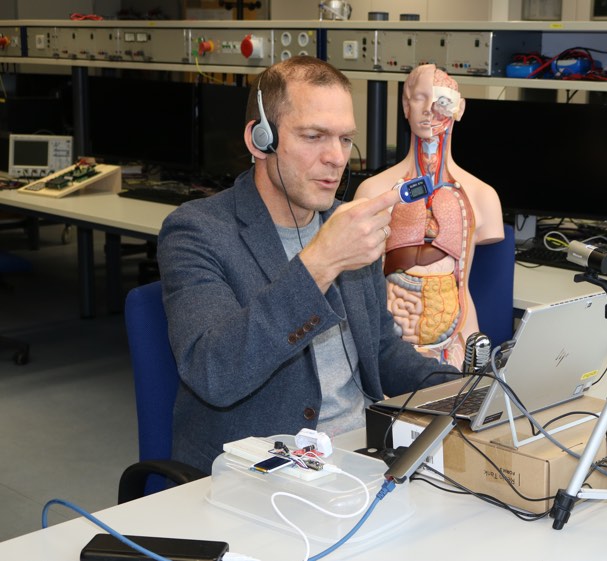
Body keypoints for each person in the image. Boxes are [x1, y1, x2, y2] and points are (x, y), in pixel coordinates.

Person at [157, 56, 457, 474]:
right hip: (261, 470)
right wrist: (322, 260)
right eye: (314, 136)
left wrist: (465, 389)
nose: (336, 158)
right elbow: (214, 373)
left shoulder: (347, 224)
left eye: (345, 139)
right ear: (260, 140)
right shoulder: (197, 231)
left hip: (363, 455)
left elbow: (382, 351)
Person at [354, 64, 504, 369]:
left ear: (459, 108)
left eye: (440, 99)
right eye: (419, 98)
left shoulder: (482, 196)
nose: (429, 109)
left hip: (457, 345)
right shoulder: (373, 192)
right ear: (405, 106)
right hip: (389, 352)